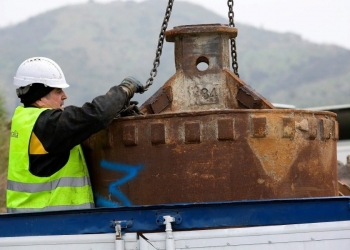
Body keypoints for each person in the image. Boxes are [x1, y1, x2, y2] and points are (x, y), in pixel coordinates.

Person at [6, 57, 144, 213]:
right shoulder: (48, 125)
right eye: (58, 91)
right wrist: (124, 90)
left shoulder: (24, 120)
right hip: (54, 224)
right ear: (39, 96)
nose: (64, 96)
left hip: (29, 223)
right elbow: (96, 114)